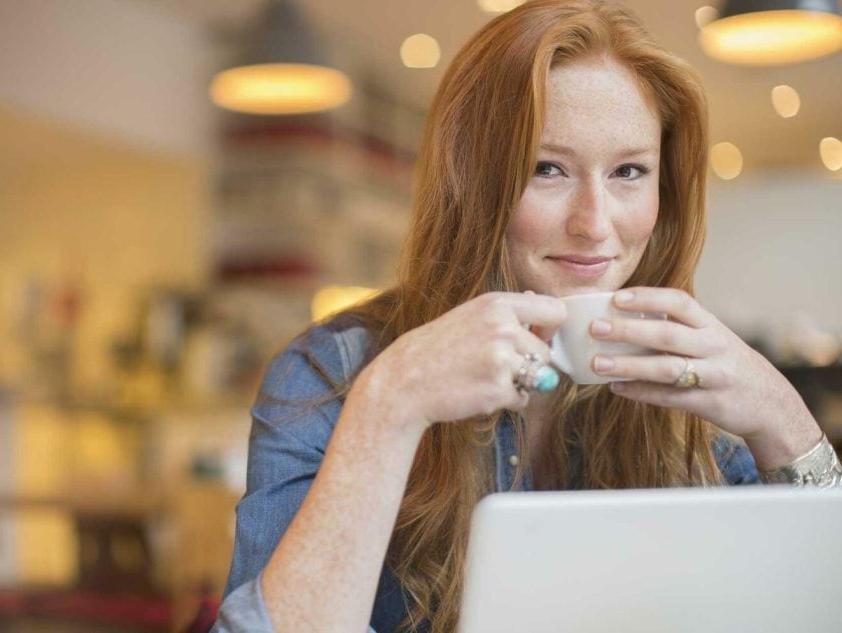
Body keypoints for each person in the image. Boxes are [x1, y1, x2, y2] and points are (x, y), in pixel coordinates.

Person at [212, 1, 842, 632]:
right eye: (548, 169)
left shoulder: (695, 387)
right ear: (472, 182)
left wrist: (782, 418)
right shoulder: (329, 373)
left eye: (629, 171)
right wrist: (389, 403)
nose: (595, 225)